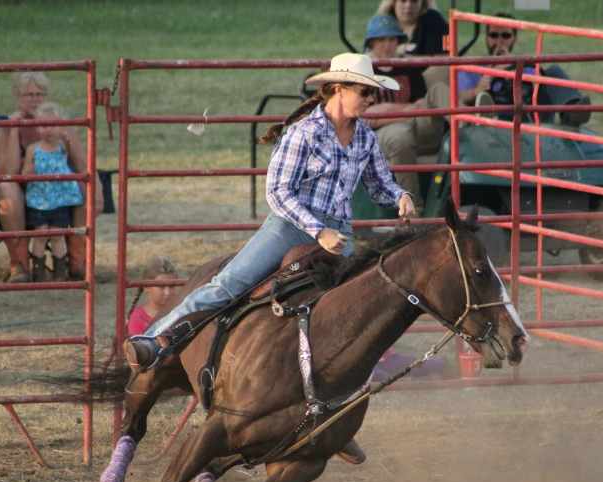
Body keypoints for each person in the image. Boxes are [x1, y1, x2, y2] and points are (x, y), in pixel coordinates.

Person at [124, 52, 415, 374]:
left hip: (338, 230)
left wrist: (400, 196)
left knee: (350, 304)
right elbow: (278, 191)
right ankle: (151, 341)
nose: (371, 99)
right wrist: (319, 230)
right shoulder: (303, 134)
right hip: (292, 225)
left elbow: (379, 183)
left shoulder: (365, 137)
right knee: (230, 283)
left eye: (372, 92)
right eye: (365, 92)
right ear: (338, 89)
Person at [0, 72, 103, 283]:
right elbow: (9, 173)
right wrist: (15, 131)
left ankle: (78, 264)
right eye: (28, 94)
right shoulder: (3, 131)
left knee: (85, 185)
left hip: (58, 191)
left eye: (40, 94)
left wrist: (96, 186)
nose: (35, 99)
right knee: (7, 188)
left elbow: (83, 164)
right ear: (17, 97)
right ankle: (20, 267)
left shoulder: (62, 126)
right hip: (24, 191)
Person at [363, 13, 452, 214]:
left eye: (392, 39)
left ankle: (469, 128)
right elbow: (364, 117)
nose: (387, 44)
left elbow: (422, 102)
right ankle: (414, 211)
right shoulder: (364, 71)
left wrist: (384, 111)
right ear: (371, 42)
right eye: (381, 40)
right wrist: (407, 110)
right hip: (387, 133)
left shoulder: (408, 67)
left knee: (439, 89)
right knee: (400, 138)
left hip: (418, 126)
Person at [456, 12, 591, 125]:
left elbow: (540, 93)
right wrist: (478, 90)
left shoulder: (526, 68)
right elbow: (456, 96)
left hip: (524, 120)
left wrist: (511, 71)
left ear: (515, 39)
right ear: (486, 37)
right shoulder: (473, 69)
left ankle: (572, 110)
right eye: (493, 35)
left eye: (506, 36)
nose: (499, 41)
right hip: (489, 127)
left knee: (553, 72)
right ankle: (486, 116)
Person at [20, 103, 83, 282]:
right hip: (39, 198)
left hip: (59, 198)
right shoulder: (34, 148)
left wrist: (69, 140)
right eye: (44, 125)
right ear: (37, 127)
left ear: (61, 126)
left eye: (53, 125)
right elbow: (25, 172)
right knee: (40, 235)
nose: (48, 130)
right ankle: (38, 273)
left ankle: (60, 272)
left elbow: (71, 157)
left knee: (57, 235)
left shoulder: (62, 146)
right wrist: (29, 171)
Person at [376, 0, 450, 88]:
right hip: (385, 79)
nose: (408, 6)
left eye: (414, 1)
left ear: (422, 3)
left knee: (445, 67)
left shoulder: (432, 20)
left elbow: (443, 60)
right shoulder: (382, 23)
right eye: (403, 1)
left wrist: (402, 58)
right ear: (393, 3)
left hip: (423, 81)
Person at [127, 257, 178, 336]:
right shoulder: (138, 318)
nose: (167, 292)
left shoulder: (181, 311)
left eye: (172, 286)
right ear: (146, 286)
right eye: (161, 287)